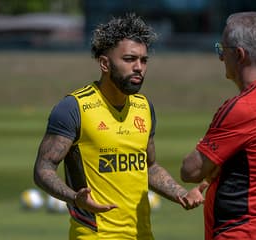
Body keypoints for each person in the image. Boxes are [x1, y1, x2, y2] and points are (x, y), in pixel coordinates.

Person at [33, 13, 205, 240]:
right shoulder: (74, 108)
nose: (139, 67)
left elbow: (150, 167)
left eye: (143, 60)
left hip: (142, 235)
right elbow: (43, 169)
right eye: (129, 59)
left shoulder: (144, 107)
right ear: (105, 63)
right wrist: (75, 197)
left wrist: (181, 194)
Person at [180, 12, 256, 240]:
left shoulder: (244, 107)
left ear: (239, 54)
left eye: (221, 50)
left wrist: (206, 159)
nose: (220, 58)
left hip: (243, 232)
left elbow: (190, 171)